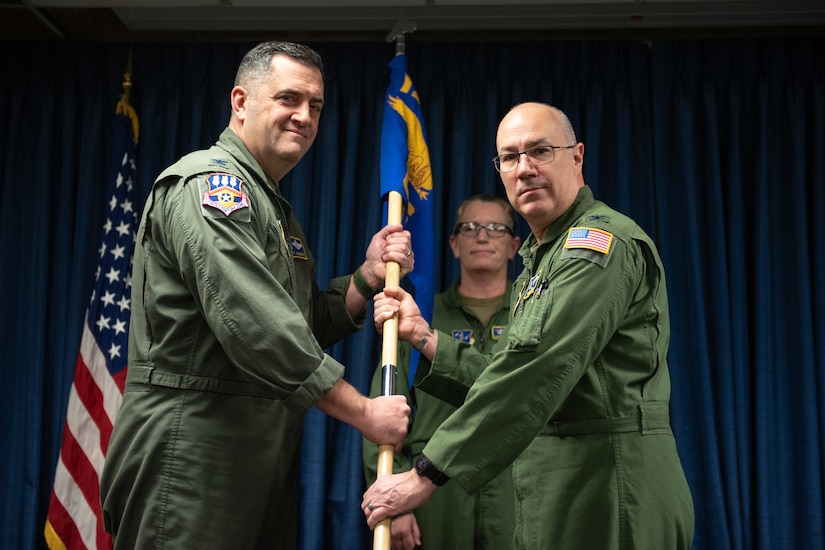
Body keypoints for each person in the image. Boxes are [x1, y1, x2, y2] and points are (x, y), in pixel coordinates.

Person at [100, 41, 413, 549]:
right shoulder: (209, 186)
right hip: (192, 450)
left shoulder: (270, 205)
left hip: (253, 453)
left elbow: (298, 320)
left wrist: (366, 279)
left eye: (315, 105)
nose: (304, 116)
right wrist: (363, 412)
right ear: (241, 102)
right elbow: (253, 322)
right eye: (289, 98)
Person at [363, 102, 695, 549]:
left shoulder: (595, 246)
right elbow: (504, 376)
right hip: (560, 489)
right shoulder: (538, 265)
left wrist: (426, 474)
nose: (524, 169)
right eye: (510, 157)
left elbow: (535, 373)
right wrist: (424, 336)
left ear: (577, 156)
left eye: (540, 151)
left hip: (609, 489)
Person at [363, 194, 521, 550]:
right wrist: (394, 499)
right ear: (453, 244)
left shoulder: (532, 317)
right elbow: (382, 408)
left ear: (514, 246)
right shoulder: (418, 317)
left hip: (517, 489)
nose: (482, 237)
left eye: (495, 228)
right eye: (470, 228)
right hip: (433, 493)